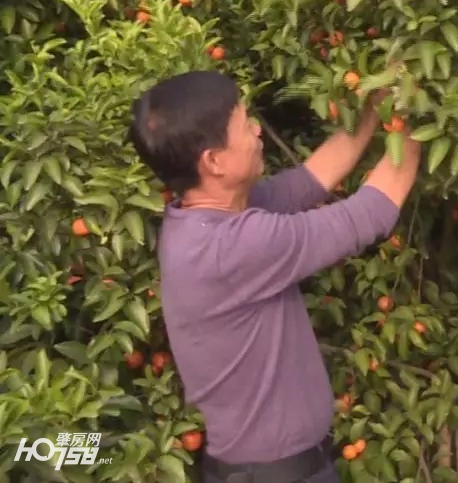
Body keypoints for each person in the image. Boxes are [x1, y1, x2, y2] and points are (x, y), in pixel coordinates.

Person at [128, 70, 422, 483]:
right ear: (213, 160)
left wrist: (374, 108)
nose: (256, 131)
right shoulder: (232, 248)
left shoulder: (202, 221)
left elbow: (309, 180)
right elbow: (370, 213)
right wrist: (418, 115)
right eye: (244, 123)